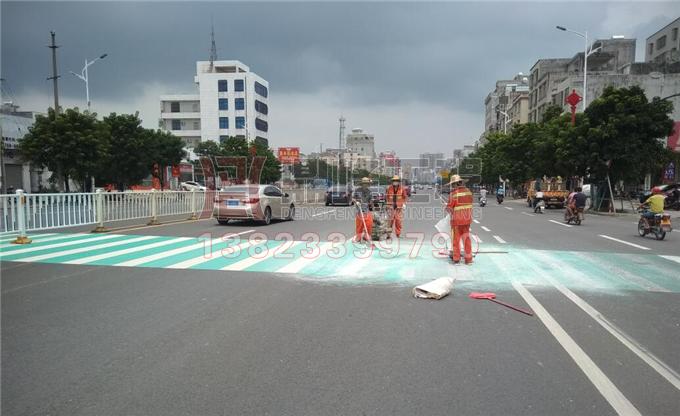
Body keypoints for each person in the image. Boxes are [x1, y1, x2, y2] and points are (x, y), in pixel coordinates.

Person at [446, 175, 474, 265]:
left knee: (456, 240)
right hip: (467, 220)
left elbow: (450, 208)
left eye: (452, 185)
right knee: (466, 239)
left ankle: (456, 258)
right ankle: (468, 259)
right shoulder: (469, 192)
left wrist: (446, 207)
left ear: (455, 184)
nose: (452, 187)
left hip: (457, 221)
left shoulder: (453, 194)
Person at [353, 177, 374, 243]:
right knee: (359, 225)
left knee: (369, 224)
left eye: (367, 184)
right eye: (364, 183)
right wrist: (356, 201)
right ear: (362, 184)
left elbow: (371, 200)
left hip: (366, 210)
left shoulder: (369, 192)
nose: (365, 185)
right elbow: (353, 198)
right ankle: (358, 238)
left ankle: (366, 236)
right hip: (359, 210)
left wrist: (372, 204)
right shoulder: (357, 190)